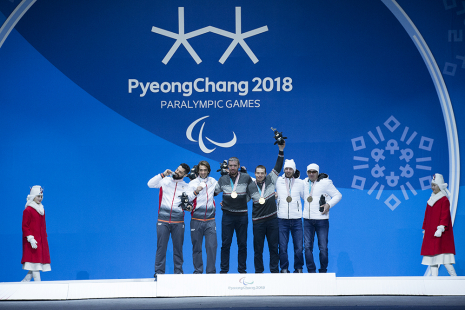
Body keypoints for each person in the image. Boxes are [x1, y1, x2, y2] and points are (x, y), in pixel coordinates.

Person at [148, 164, 198, 279]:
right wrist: (162, 174)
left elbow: (190, 202)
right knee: (161, 247)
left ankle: (178, 273)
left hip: (178, 221)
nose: (177, 172)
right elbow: (150, 184)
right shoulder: (165, 181)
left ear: (185, 175)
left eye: (180, 172)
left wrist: (190, 204)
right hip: (163, 220)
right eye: (177, 170)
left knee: (178, 248)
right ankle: (159, 273)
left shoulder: (187, 186)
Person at [215, 157, 259, 274]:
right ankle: (224, 271)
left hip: (242, 216)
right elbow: (214, 192)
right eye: (230, 166)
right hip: (227, 216)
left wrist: (243, 200)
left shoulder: (245, 177)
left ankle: (242, 270)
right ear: (228, 166)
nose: (232, 168)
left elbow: (253, 192)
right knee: (225, 244)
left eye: (235, 165)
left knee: (242, 244)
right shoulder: (223, 178)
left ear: (239, 166)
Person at [252, 141, 285, 273]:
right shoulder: (250, 186)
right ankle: (259, 273)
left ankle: (274, 272)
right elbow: (242, 199)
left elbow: (278, 166)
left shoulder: (271, 180)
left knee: (273, 248)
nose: (260, 175)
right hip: (258, 222)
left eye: (262, 173)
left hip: (272, 221)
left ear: (266, 174)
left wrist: (281, 150)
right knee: (258, 250)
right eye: (258, 173)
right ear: (254, 173)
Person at [303, 163, 342, 273]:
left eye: (314, 172)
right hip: (307, 220)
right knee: (307, 247)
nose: (311, 174)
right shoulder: (304, 183)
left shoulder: (325, 183)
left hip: (322, 220)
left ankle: (323, 271)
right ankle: (311, 271)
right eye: (309, 171)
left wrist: (328, 204)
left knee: (323, 248)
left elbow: (338, 195)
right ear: (307, 172)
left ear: (318, 173)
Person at [421, 173, 456, 276]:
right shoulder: (430, 200)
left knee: (445, 258)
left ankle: (455, 279)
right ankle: (434, 282)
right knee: (432, 259)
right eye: (432, 185)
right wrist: (425, 230)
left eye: (434, 185)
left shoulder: (444, 200)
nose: (432, 187)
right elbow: (426, 216)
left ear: (440, 186)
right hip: (431, 233)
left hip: (441, 234)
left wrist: (441, 228)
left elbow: (445, 215)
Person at [275, 159, 305, 273]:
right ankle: (284, 268)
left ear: (294, 170)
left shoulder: (300, 183)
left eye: (290, 169)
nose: (288, 171)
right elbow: (264, 183)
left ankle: (298, 268)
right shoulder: (278, 181)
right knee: (282, 247)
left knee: (299, 247)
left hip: (296, 219)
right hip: (282, 219)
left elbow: (307, 197)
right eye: (286, 169)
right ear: (284, 170)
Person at [189, 161, 218, 274]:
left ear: (208, 171)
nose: (203, 172)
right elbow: (188, 198)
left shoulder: (212, 181)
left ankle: (211, 272)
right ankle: (198, 271)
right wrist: (196, 191)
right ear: (198, 171)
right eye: (201, 170)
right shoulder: (192, 183)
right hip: (196, 220)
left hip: (210, 220)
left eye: (205, 170)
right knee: (197, 248)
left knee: (211, 247)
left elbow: (221, 188)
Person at [21, 185, 51, 282]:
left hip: (40, 241)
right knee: (35, 264)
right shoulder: (28, 210)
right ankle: (38, 285)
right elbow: (25, 226)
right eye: (38, 196)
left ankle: (25, 281)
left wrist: (44, 238)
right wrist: (30, 239)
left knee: (35, 265)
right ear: (33, 196)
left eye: (41, 196)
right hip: (32, 241)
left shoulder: (42, 210)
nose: (40, 198)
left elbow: (43, 226)